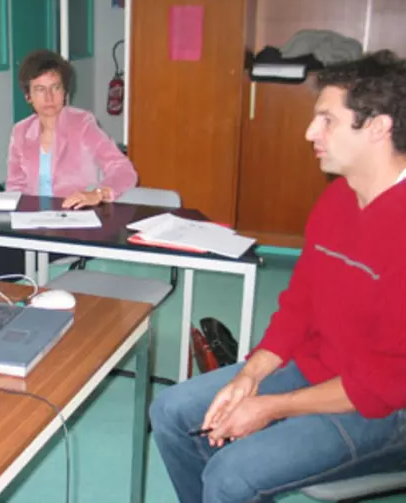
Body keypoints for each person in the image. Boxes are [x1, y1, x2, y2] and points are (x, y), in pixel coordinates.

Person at [150, 50, 406, 503]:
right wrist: (251, 373)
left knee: (232, 475)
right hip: (320, 370)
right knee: (170, 410)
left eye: (327, 119)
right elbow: (300, 303)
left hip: (385, 409)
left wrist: (270, 407)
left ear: (378, 127)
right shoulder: (336, 200)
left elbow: (385, 381)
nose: (311, 132)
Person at [6, 49, 137, 208]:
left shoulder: (82, 123)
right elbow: (15, 188)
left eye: (55, 87)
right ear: (28, 96)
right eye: (40, 89)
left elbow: (124, 170)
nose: (49, 97)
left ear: (65, 92)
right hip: (34, 221)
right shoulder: (20, 131)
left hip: (77, 217)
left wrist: (98, 193)